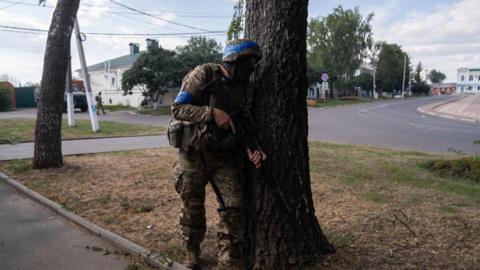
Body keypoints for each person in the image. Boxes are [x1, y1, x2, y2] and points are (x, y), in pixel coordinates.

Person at [170, 39, 266, 270]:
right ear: (234, 61)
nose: (251, 70)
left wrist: (253, 149)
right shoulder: (203, 75)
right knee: (192, 207)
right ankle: (192, 251)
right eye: (248, 65)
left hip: (226, 157)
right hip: (194, 155)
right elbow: (178, 109)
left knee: (234, 208)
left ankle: (228, 259)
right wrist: (211, 113)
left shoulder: (246, 89)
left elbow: (243, 126)